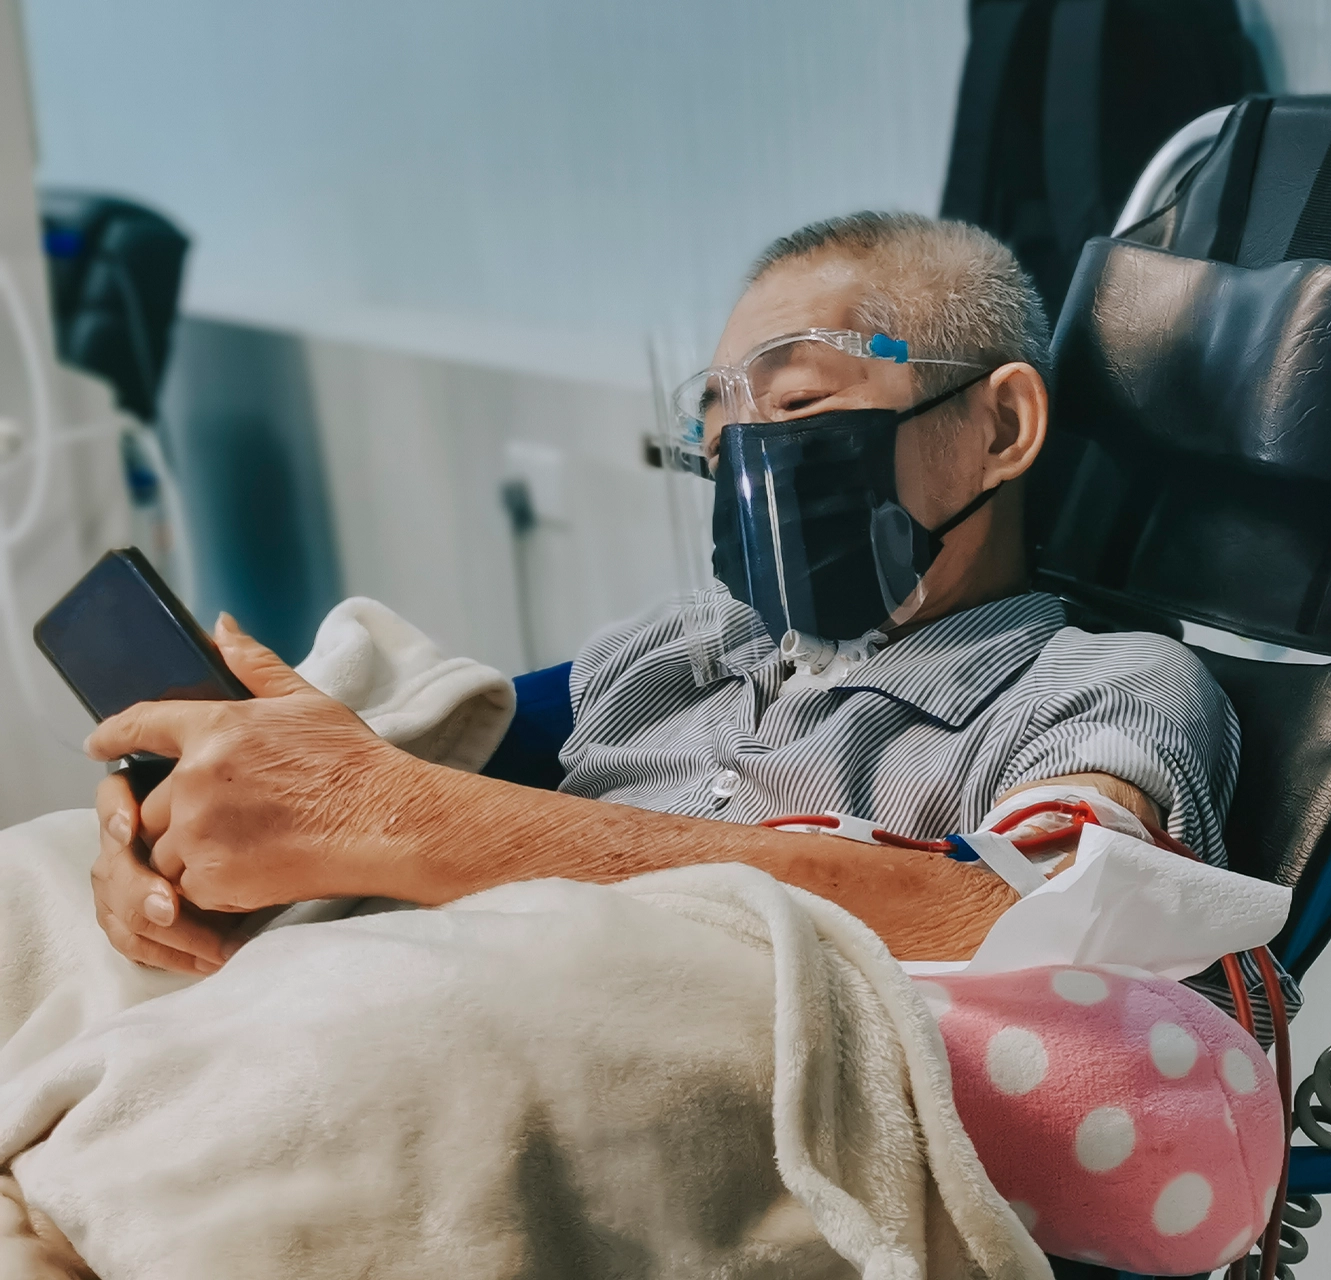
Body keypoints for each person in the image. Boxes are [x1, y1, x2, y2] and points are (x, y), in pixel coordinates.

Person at [84, 211, 1240, 971]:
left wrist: (392, 814)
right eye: (719, 428)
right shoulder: (679, 649)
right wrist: (203, 839)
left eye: (791, 407)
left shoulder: (1105, 684)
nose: (749, 459)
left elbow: (1044, 924)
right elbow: (427, 758)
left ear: (1001, 425)